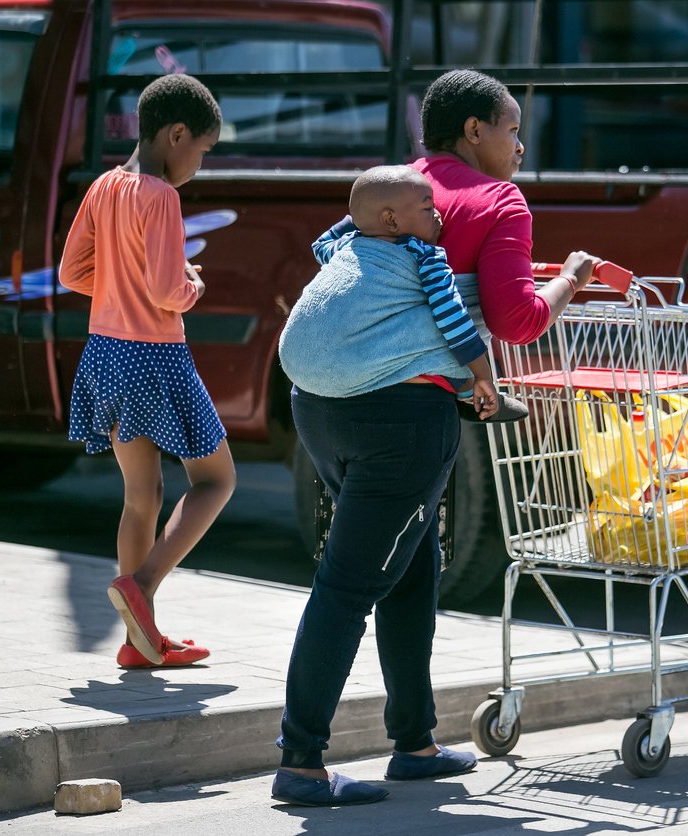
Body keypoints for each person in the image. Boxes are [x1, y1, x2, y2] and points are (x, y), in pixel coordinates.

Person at [270, 67, 598, 807]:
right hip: (404, 420)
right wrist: (569, 279)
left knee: (416, 563)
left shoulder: (395, 189)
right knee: (350, 583)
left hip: (321, 405)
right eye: (512, 128)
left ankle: (414, 742)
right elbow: (517, 321)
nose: (521, 145)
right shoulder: (498, 200)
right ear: (474, 131)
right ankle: (300, 762)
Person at [59, 73, 237, 670]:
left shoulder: (105, 185)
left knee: (143, 496)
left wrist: (116, 286)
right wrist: (193, 284)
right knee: (216, 480)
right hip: (155, 354)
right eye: (202, 152)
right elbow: (167, 290)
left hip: (105, 350)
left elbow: (70, 274)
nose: (199, 165)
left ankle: (140, 640)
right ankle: (144, 585)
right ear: (176, 133)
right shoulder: (161, 195)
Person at [283, 164, 526, 422]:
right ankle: (470, 393)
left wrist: (364, 214)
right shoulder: (424, 256)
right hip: (351, 372)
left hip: (300, 370)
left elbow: (320, 244)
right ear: (391, 220)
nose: (438, 215)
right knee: (447, 333)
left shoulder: (347, 246)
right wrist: (482, 373)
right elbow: (451, 314)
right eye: (427, 208)